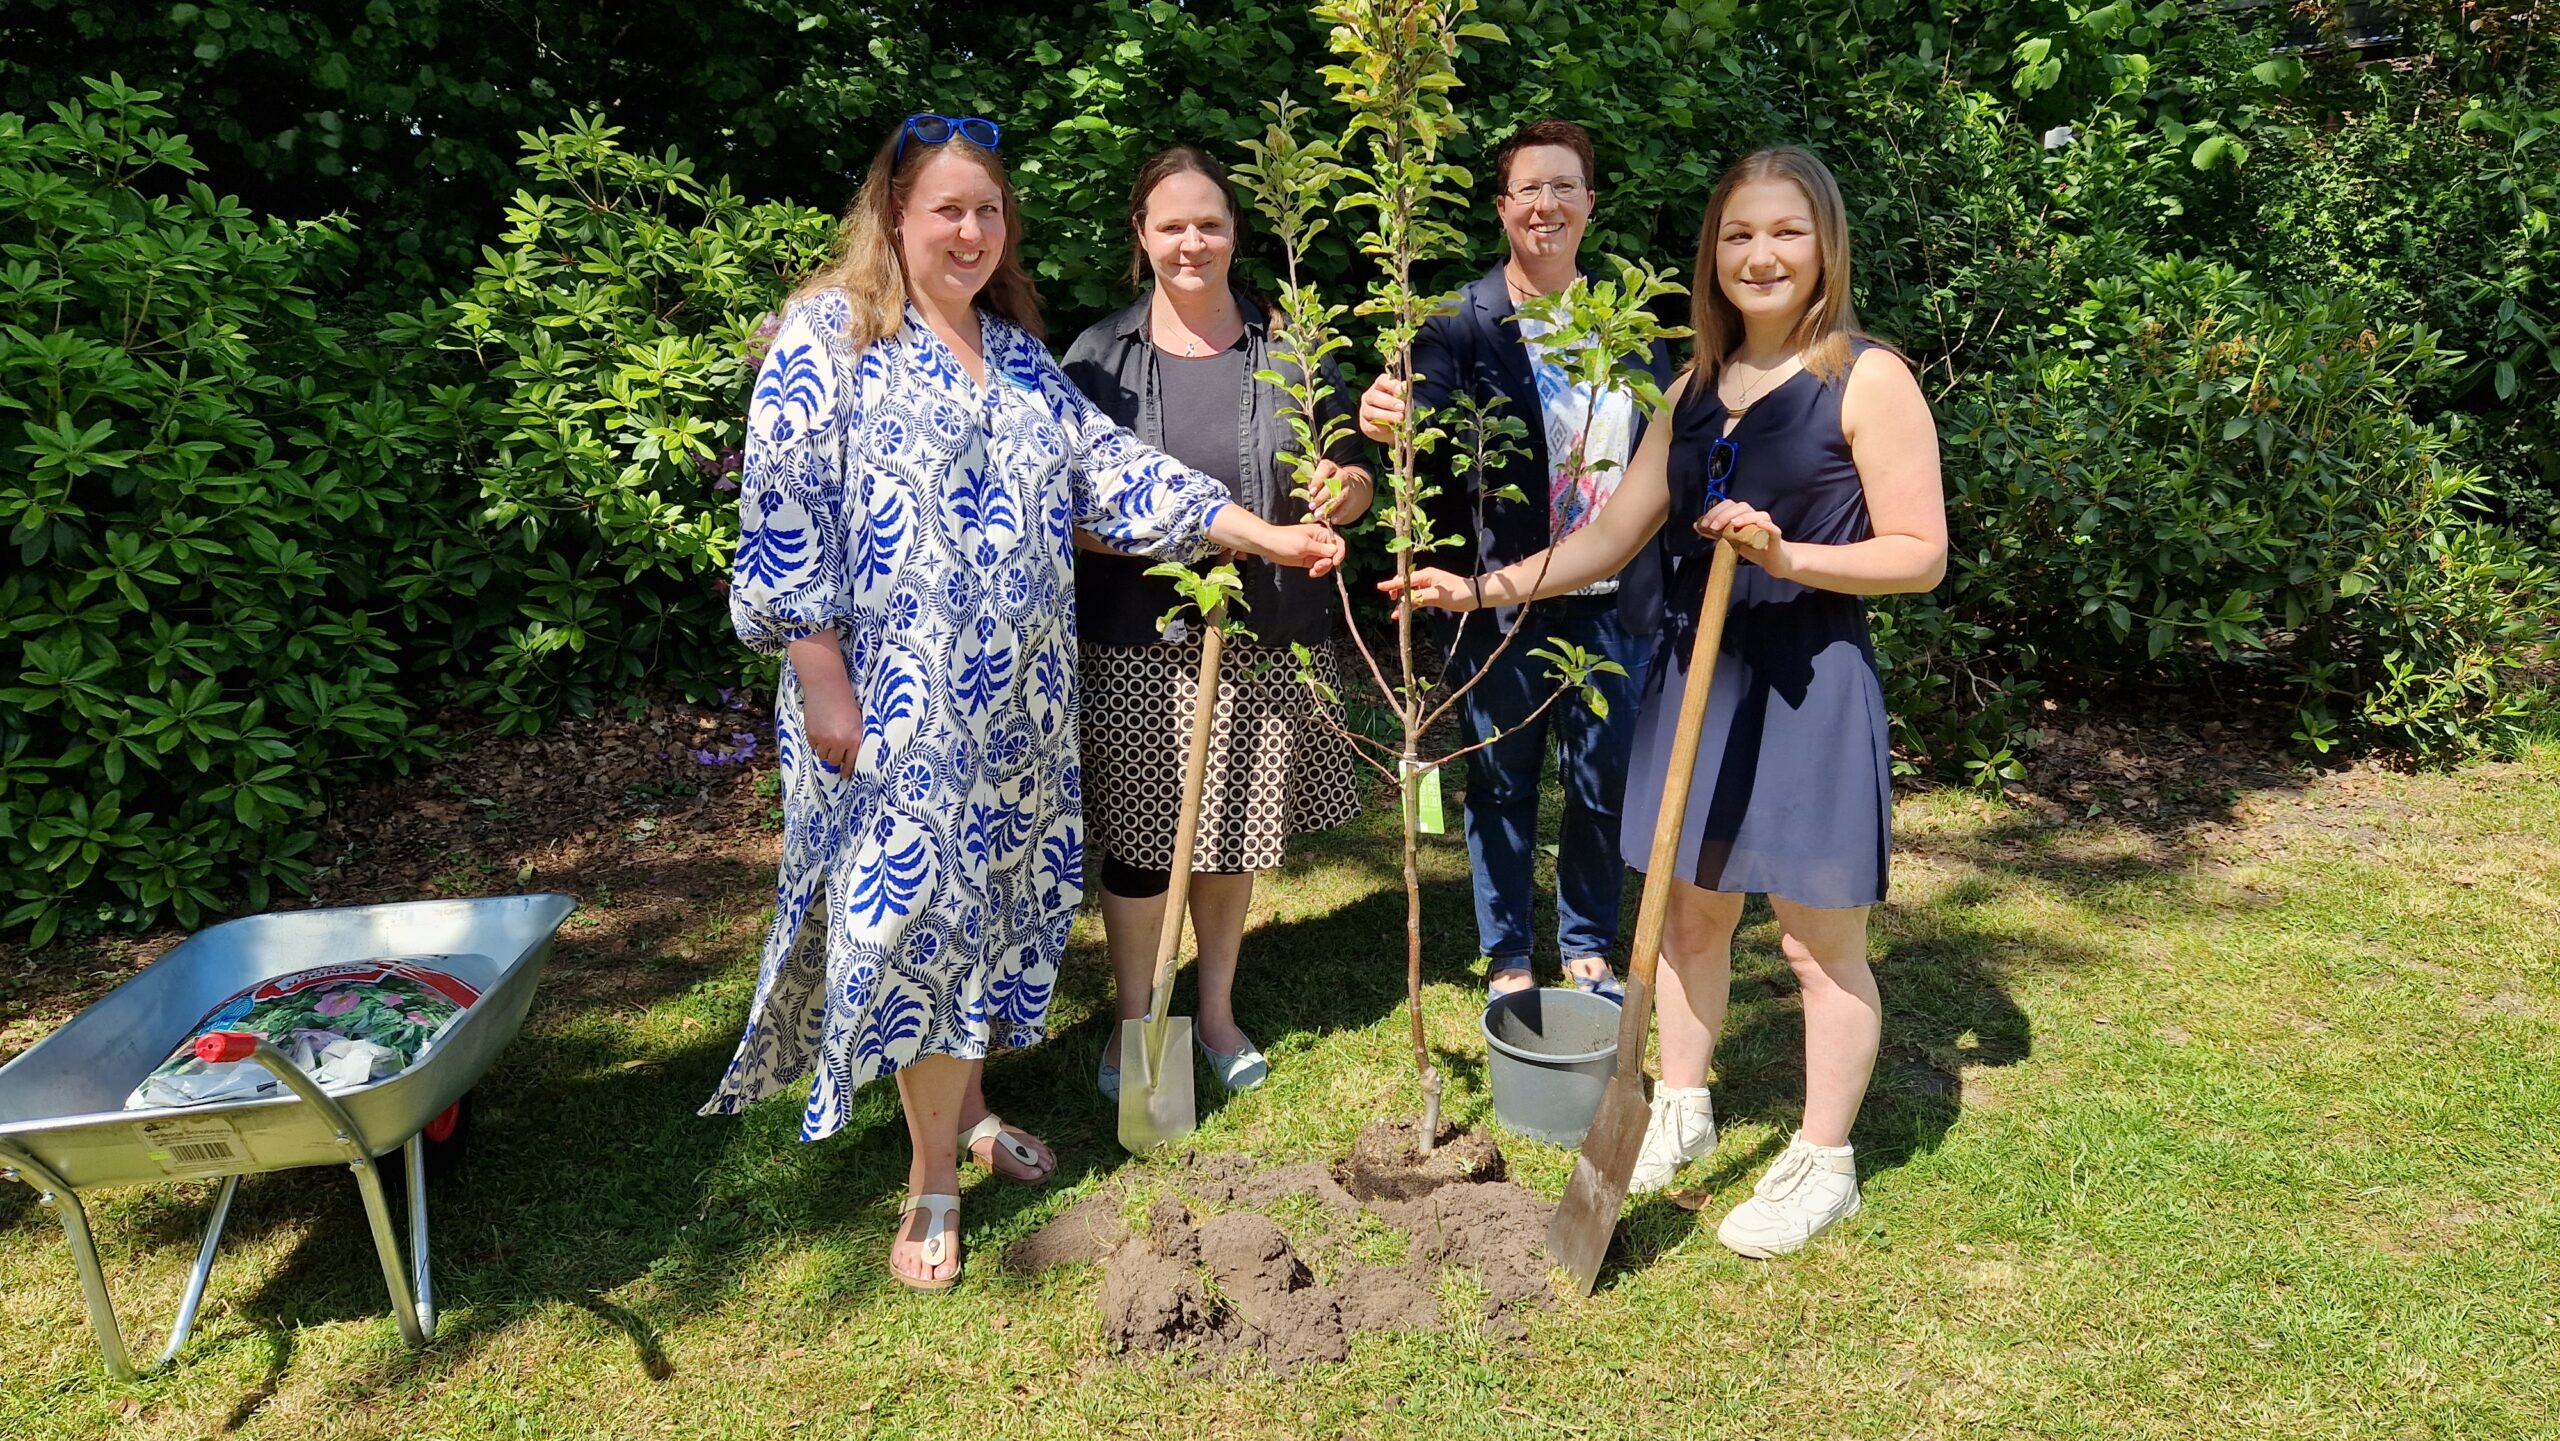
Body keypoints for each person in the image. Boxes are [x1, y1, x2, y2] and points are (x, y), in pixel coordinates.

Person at [701, 114, 1345, 1291]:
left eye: (988, 210)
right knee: (911, 927)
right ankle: (932, 1180)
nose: (970, 230)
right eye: (946, 208)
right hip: (896, 707)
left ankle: (968, 1112)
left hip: (1020, 707)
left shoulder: (1015, 354)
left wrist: (1262, 533)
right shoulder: (830, 334)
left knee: (983, 917)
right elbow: (783, 509)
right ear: (893, 215)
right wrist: (820, 676)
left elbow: (1116, 469)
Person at [1382, 146, 1948, 1258]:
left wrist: (1793, 554)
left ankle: (1821, 1159)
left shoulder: (1865, 376)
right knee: (1689, 913)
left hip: (1805, 682)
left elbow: (1920, 553)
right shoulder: (1689, 387)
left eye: (1784, 231)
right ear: (1712, 255)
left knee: (1813, 948)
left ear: (1823, 242)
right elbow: (1605, 534)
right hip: (1697, 674)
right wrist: (1480, 584)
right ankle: (1679, 1106)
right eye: (1738, 235)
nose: (1761, 254)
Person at [1062, 145, 1373, 1101]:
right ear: (1142, 236)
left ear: (1235, 232)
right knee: (1146, 843)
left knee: (1234, 830)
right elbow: (1070, 507)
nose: (1191, 241)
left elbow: (1354, 478)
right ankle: (1134, 1017)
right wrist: (1198, 543)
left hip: (1266, 632)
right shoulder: (1097, 359)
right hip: (1137, 639)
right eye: (1171, 225)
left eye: (1210, 222)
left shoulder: (1291, 351)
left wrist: (1346, 490)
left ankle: (1219, 1008)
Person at [1355, 119, 1671, 1003]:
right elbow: (1411, 418)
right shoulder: (1458, 323)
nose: (1547, 204)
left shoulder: (1631, 328)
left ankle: (1585, 940)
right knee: (1501, 779)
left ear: (1590, 205)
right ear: (1502, 209)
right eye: (1529, 188)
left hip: (1617, 598)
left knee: (1601, 781)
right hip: (1498, 594)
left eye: (1565, 186)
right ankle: (1505, 954)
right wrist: (1387, 418)